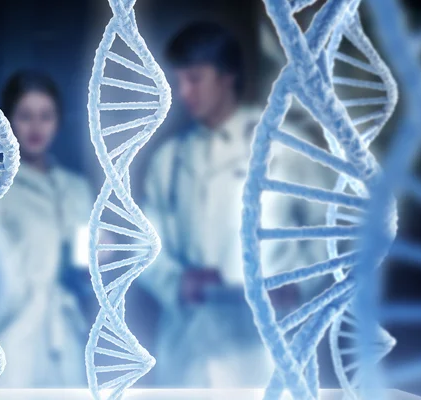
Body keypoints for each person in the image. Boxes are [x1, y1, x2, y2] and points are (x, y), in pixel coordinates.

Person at [138, 22, 330, 387]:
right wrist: (178, 282)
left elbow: (335, 230)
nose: (183, 92)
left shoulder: (284, 146)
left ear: (227, 76)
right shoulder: (169, 160)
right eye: (179, 81)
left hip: (265, 344)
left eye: (194, 79)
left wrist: (298, 283)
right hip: (190, 345)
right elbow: (146, 245)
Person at [0, 71, 93, 387]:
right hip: (13, 337)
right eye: (26, 116)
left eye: (46, 116)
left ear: (58, 121)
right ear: (7, 120)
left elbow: (86, 267)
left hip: (68, 336)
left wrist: (94, 266)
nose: (36, 128)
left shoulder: (77, 189)